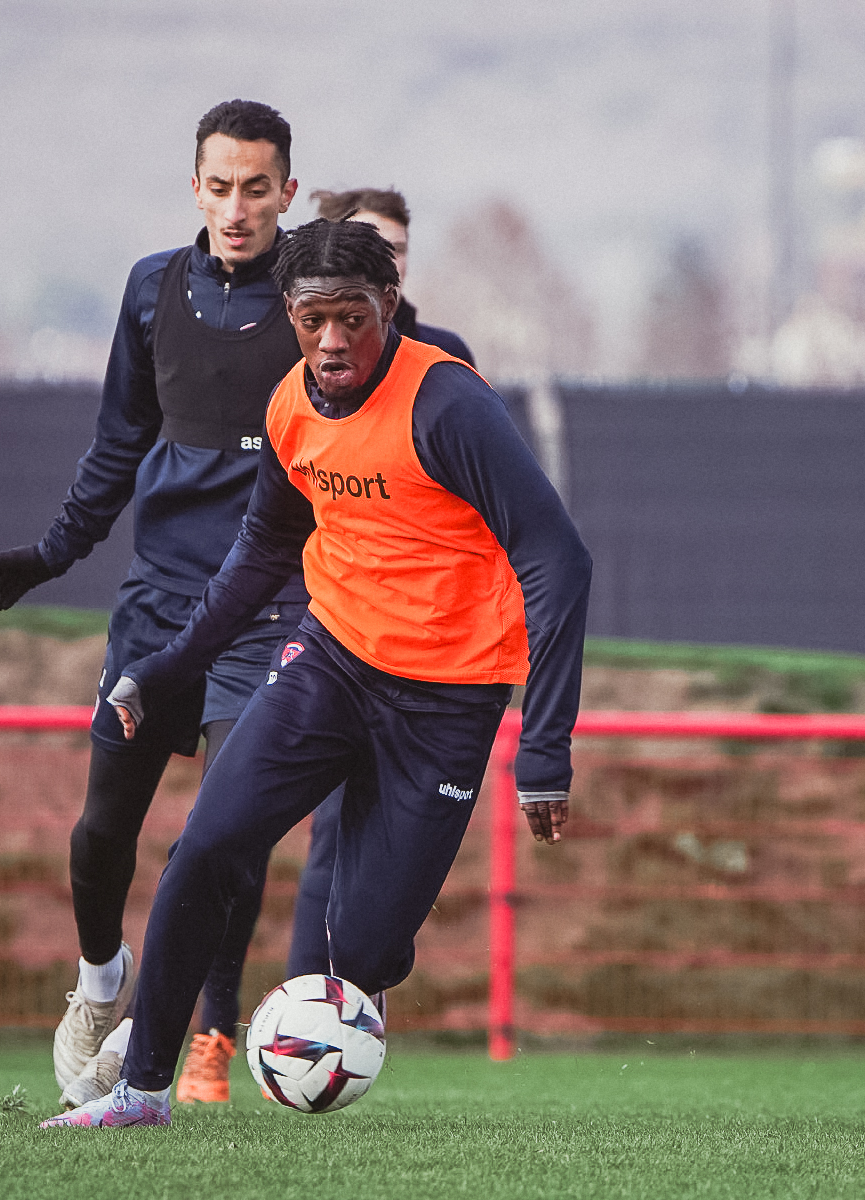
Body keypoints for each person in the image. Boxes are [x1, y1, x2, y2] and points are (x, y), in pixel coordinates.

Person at [41, 217, 590, 1129]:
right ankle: (139, 1093)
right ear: (290, 316)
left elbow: (558, 560)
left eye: (354, 318)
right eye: (312, 320)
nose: (332, 341)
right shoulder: (291, 406)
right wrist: (171, 665)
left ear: (388, 310)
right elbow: (260, 554)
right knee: (205, 849)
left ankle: (336, 1001)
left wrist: (545, 749)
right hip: (329, 664)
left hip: (449, 700)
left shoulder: (446, 407)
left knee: (365, 947)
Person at [0, 99, 306, 1110]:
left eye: (258, 188)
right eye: (220, 186)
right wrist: (53, 552)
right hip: (158, 603)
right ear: (194, 186)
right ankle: (99, 979)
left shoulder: (315, 293)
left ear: (288, 191)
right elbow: (119, 440)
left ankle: (171, 1037)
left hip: (269, 605)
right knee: (101, 830)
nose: (238, 206)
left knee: (224, 831)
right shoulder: (151, 288)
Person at [285, 186, 476, 980]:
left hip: (430, 655)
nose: (384, 251)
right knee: (321, 835)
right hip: (335, 631)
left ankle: (357, 991)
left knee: (384, 864)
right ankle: (279, 1022)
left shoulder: (443, 364)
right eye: (369, 239)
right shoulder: (307, 361)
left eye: (396, 244)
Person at [309, 186, 474, 366]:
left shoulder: (447, 352)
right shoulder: (301, 350)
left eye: (397, 249)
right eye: (369, 247)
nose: (387, 261)